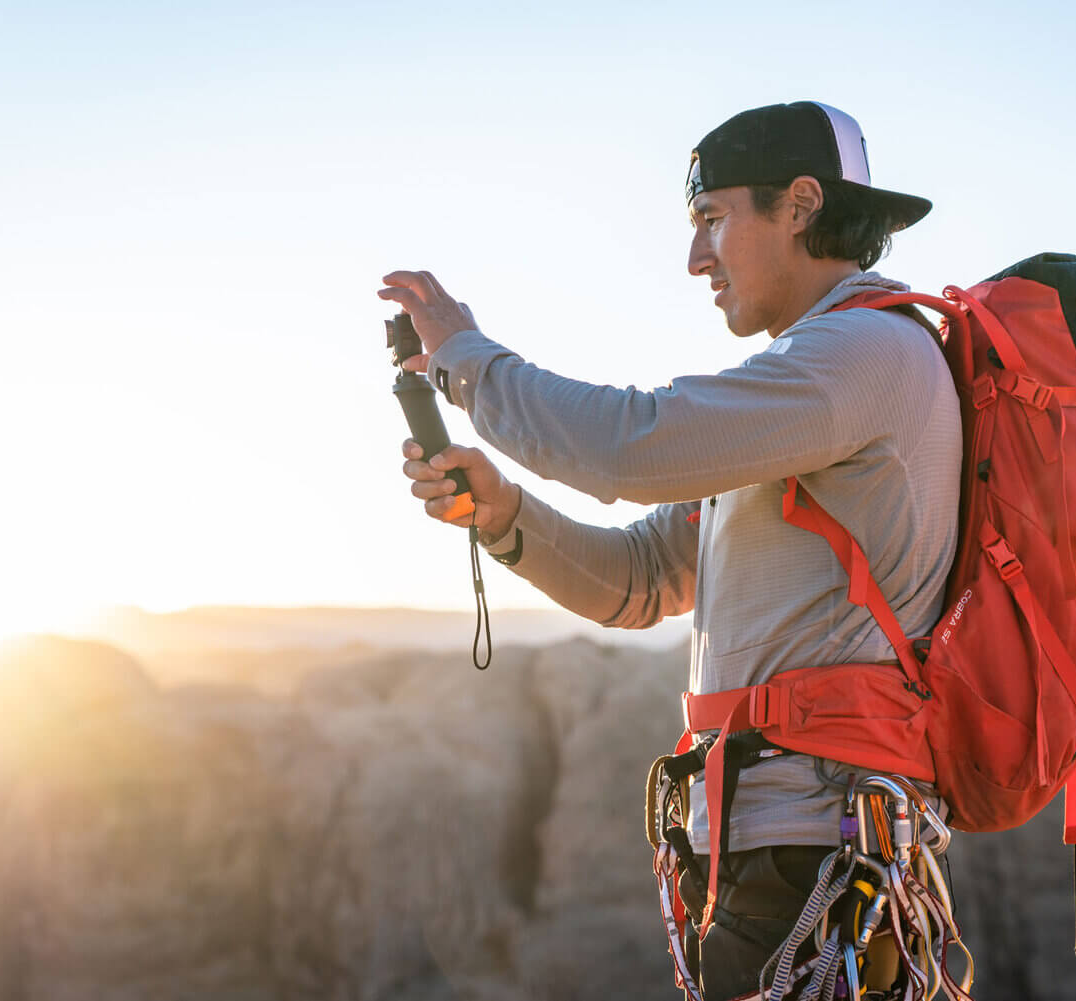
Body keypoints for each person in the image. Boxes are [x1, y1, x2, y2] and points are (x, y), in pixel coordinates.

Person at [381, 101, 961, 1001]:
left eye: (712, 218)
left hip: (816, 855)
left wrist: (467, 360)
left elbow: (629, 446)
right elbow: (643, 581)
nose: (697, 259)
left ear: (802, 203)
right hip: (780, 857)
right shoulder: (802, 389)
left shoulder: (865, 355)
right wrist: (503, 515)